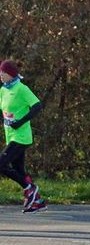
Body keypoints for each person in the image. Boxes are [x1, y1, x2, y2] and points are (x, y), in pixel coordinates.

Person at [0, 60, 46, 213]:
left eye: (3, 73)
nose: (0, 75)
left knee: (1, 164)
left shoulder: (21, 89)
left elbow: (37, 106)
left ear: (11, 74)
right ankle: (37, 201)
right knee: (18, 170)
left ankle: (30, 188)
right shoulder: (3, 90)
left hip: (21, 136)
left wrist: (20, 122)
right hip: (11, 136)